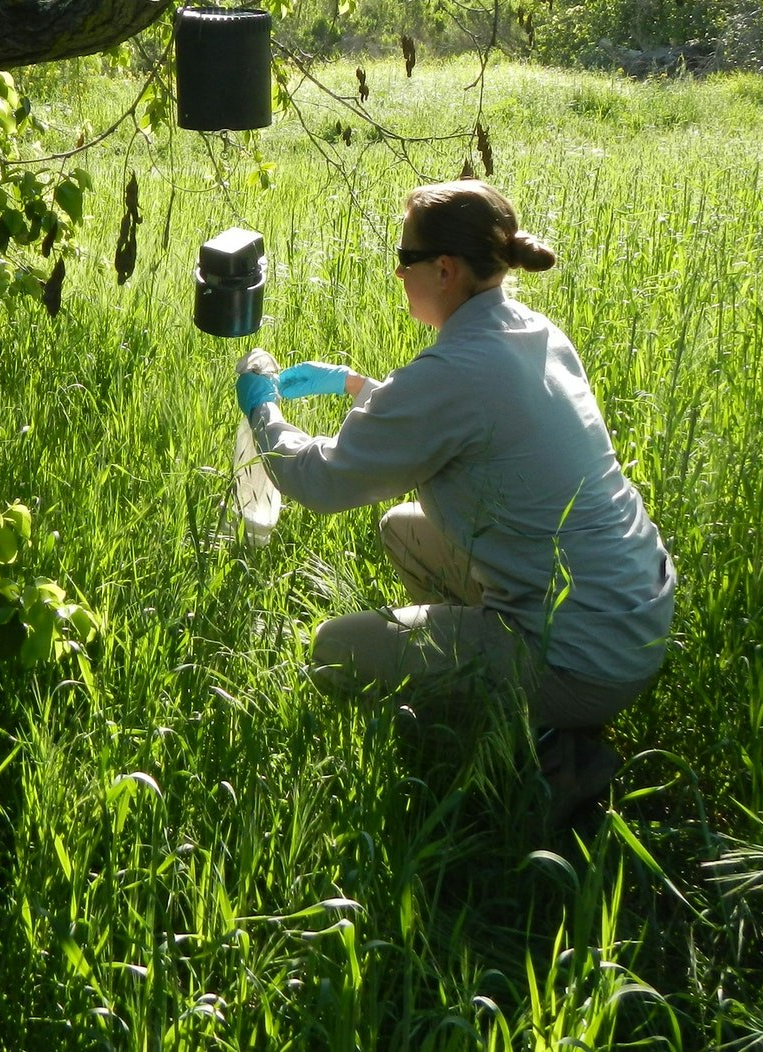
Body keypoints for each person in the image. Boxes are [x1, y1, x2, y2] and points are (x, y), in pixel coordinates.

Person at [233, 180, 675, 817]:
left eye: (404, 256)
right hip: (630, 614)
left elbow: (321, 482)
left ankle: (542, 748)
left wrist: (263, 408)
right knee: (403, 531)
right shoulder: (534, 334)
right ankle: (499, 698)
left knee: (333, 651)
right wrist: (360, 387)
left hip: (583, 658)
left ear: (444, 270)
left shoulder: (454, 373)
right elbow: (472, 427)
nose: (397, 270)